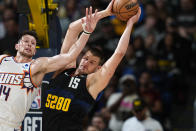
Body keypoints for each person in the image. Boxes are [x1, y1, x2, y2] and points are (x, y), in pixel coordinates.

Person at [42, 1, 142, 130]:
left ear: (98, 68)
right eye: (85, 58)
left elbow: (119, 53)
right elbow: (73, 29)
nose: (86, 63)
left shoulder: (92, 82)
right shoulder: (64, 69)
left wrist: (130, 24)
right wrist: (106, 12)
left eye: (92, 62)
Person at [0, 6, 99, 131]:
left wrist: (86, 32)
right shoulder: (3, 60)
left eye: (33, 43)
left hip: (9, 126)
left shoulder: (36, 66)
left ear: (35, 50)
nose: (29, 44)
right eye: (26, 41)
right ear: (17, 46)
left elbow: (69, 57)